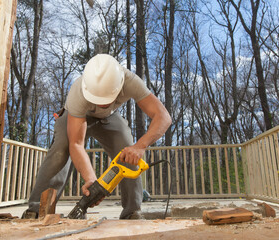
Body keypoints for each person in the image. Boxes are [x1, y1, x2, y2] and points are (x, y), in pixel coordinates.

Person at [22, 54, 172, 219]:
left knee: (126, 147)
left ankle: (132, 211)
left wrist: (139, 146)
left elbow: (163, 116)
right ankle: (37, 209)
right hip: (76, 116)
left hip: (109, 117)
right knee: (61, 146)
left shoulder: (130, 81)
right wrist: (91, 179)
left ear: (119, 85)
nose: (101, 103)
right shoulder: (78, 91)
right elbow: (76, 144)